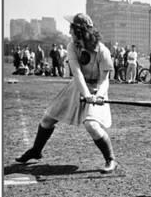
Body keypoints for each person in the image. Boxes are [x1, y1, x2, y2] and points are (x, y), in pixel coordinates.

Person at [15, 13, 118, 173]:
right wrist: (86, 94)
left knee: (91, 125)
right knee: (47, 119)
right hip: (77, 87)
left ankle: (110, 160)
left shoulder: (103, 51)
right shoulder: (72, 46)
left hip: (97, 89)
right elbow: (77, 73)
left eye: (72, 29)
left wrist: (98, 95)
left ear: (80, 31)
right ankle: (36, 150)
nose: (69, 32)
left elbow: (105, 80)